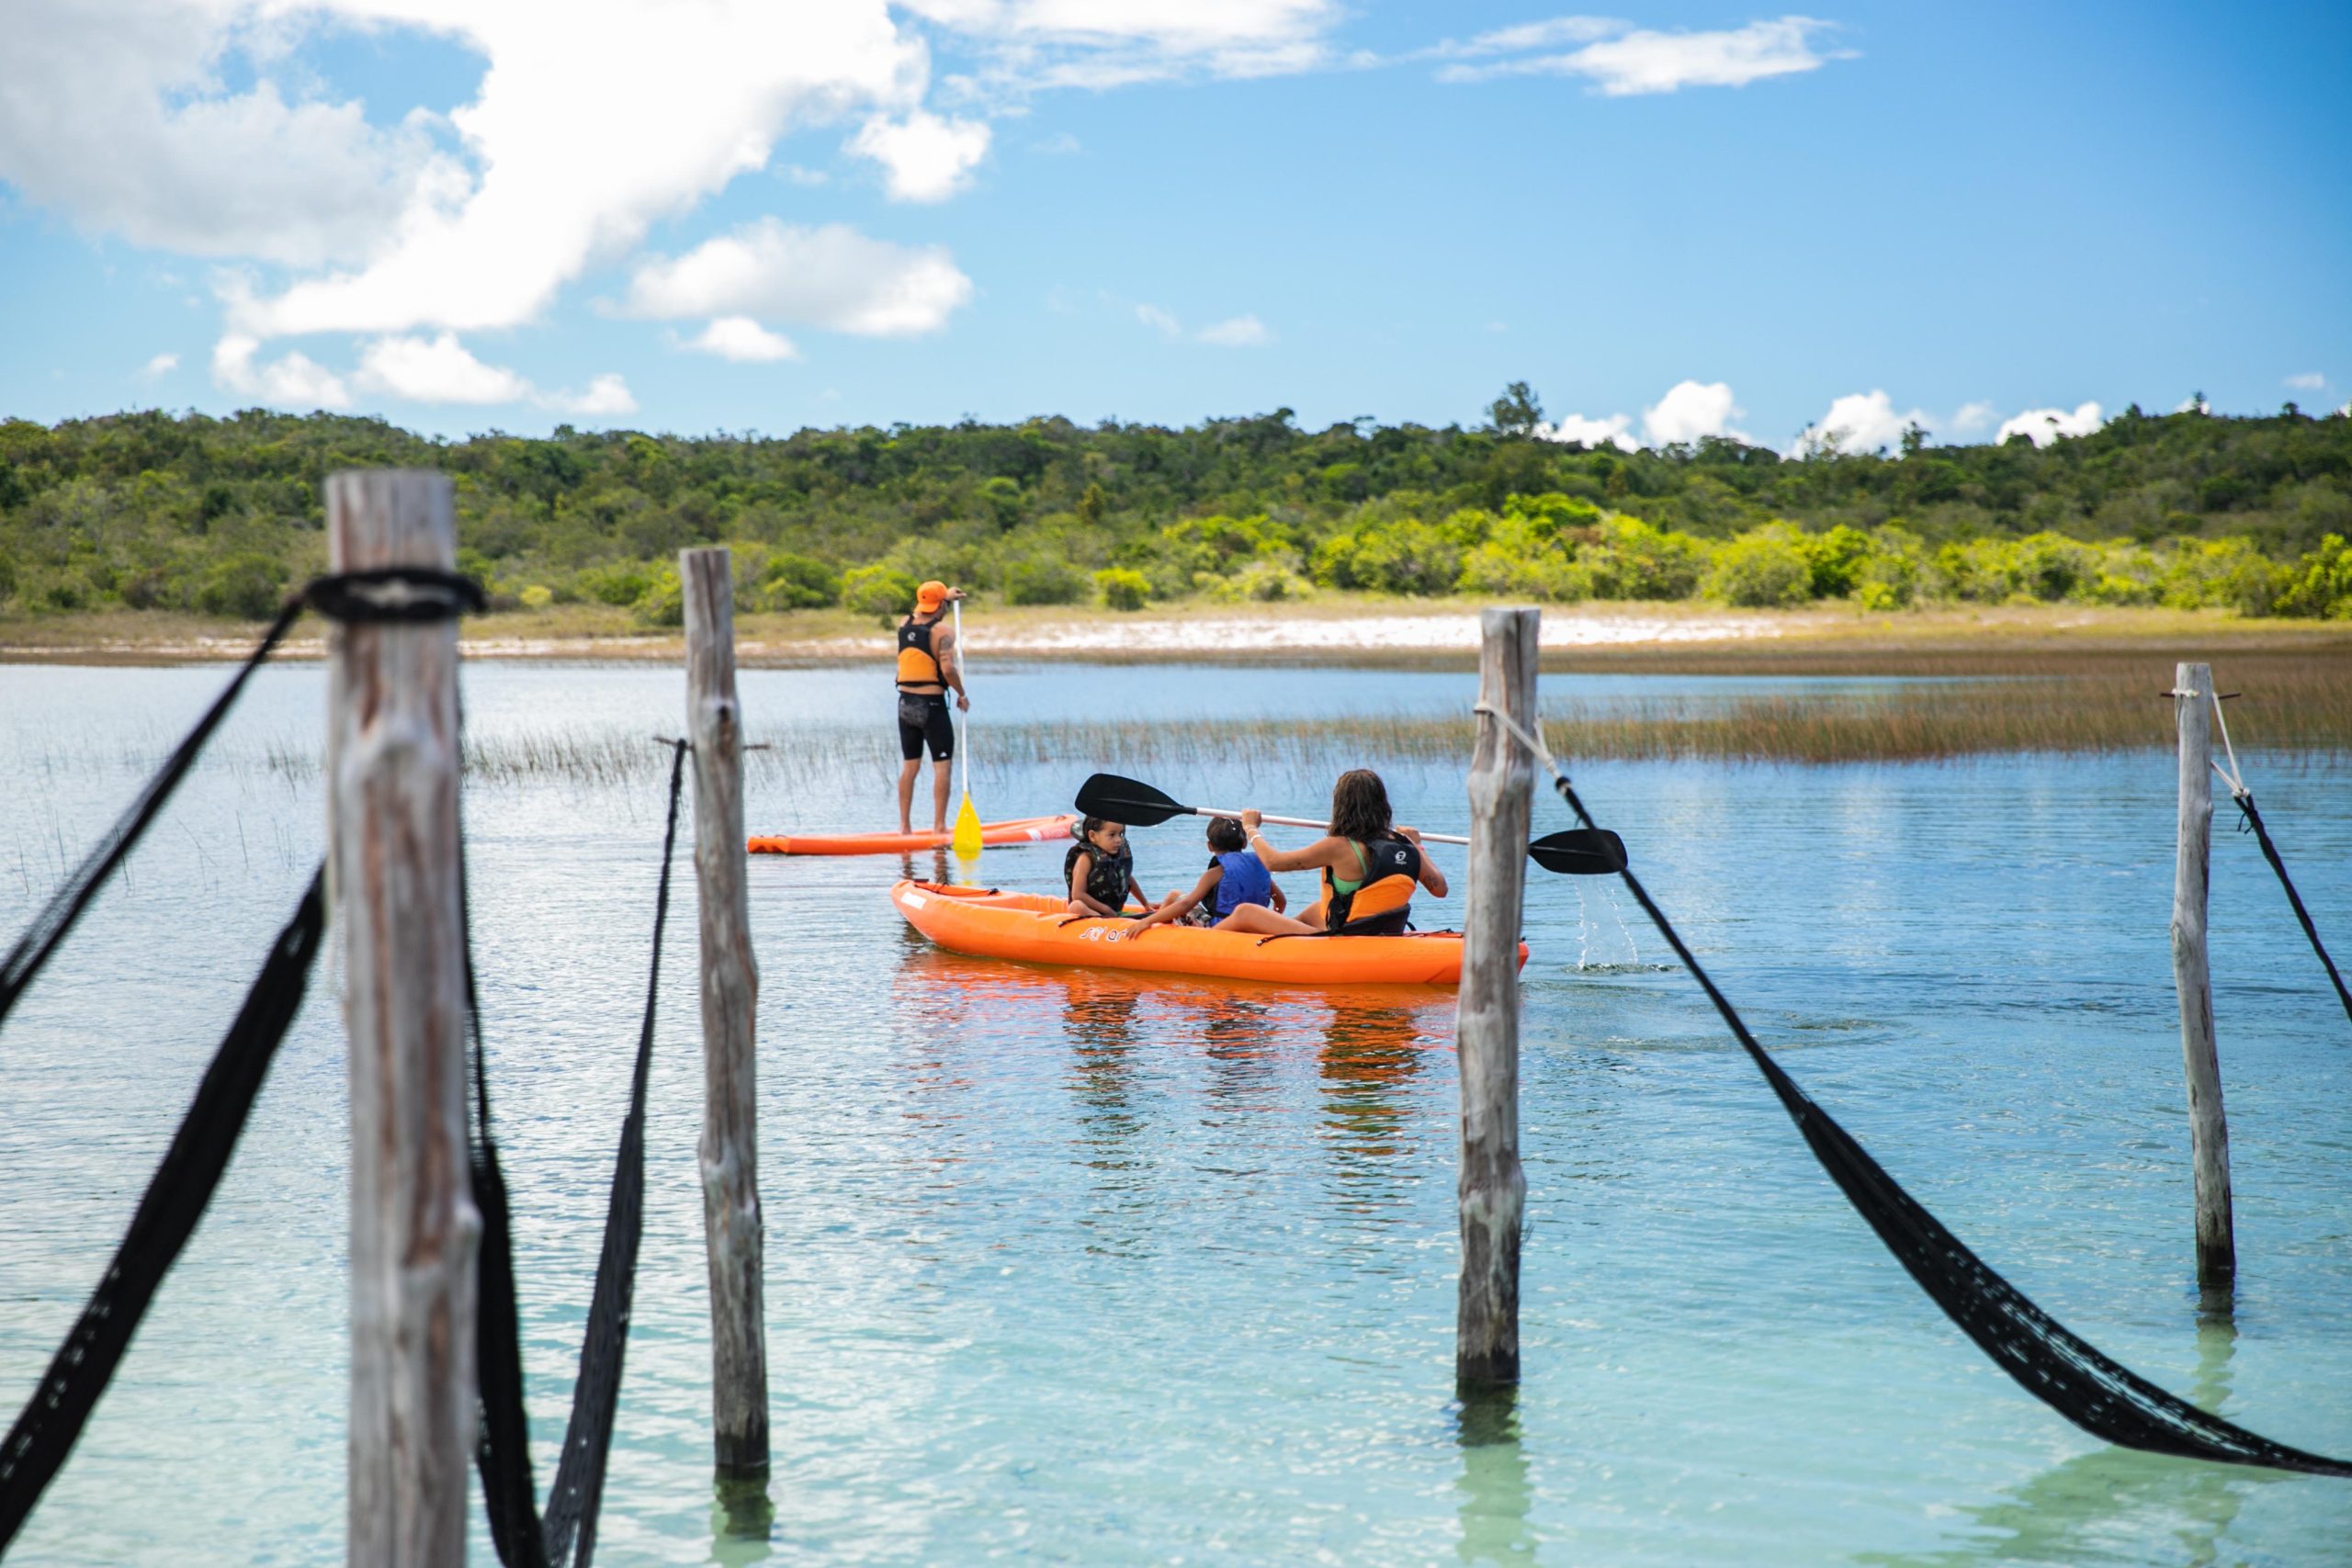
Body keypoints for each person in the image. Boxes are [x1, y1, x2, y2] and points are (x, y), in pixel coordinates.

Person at [1216, 768, 1447, 937]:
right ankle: (1274, 943)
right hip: (1379, 931)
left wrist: (1251, 828)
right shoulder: (1404, 844)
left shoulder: (1338, 846)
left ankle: (1205, 942)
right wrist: (1417, 846)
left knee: (1245, 912)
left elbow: (1273, 862)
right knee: (1316, 910)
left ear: (1341, 806)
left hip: (1347, 938)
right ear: (1382, 805)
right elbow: (1440, 890)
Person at [895, 580, 968, 834]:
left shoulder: (903, 624)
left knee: (910, 766)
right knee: (942, 766)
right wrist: (961, 694)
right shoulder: (943, 632)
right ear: (941, 606)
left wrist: (945, 597)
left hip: (905, 704)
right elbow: (947, 669)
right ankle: (939, 827)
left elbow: (925, 614)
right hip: (932, 706)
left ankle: (905, 827)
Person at [1133, 816, 1284, 932]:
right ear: (1244, 844)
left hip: (1220, 929)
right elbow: (1280, 902)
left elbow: (1186, 904)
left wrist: (1147, 921)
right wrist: (1269, 923)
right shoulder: (1258, 867)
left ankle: (1156, 928)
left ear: (1209, 846)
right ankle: (1161, 919)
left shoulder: (1215, 873)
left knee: (1175, 895)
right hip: (1255, 927)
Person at [1064, 816, 1158, 919]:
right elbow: (1078, 894)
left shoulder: (1116, 857)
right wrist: (1105, 909)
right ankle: (1101, 919)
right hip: (1092, 910)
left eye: (1120, 834)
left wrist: (1145, 904)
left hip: (1113, 911)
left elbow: (1127, 878)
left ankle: (1110, 919)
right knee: (1076, 905)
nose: (1118, 840)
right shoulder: (1085, 859)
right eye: (1112, 835)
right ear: (1093, 836)